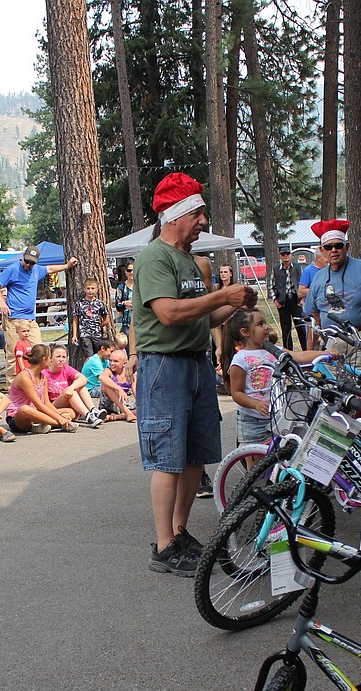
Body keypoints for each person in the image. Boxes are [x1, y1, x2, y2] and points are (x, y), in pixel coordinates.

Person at [133, 172, 256, 576]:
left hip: (195, 362)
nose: (204, 221)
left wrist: (236, 304)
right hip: (164, 365)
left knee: (193, 458)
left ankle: (180, 532)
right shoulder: (154, 256)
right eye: (199, 213)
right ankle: (164, 544)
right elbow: (168, 314)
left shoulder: (189, 260)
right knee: (168, 458)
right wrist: (221, 295)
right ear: (178, 215)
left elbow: (205, 317)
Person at [225, 308, 333, 448]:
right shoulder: (240, 359)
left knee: (277, 458)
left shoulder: (274, 351)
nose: (266, 327)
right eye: (260, 324)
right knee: (256, 463)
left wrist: (326, 354)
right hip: (252, 420)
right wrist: (255, 404)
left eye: (265, 323)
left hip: (277, 416)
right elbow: (237, 393)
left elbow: (300, 356)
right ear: (245, 332)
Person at [304, 220, 361, 370]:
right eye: (328, 247)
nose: (333, 250)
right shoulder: (318, 278)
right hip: (333, 344)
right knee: (335, 389)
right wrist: (310, 352)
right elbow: (314, 317)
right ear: (322, 250)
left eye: (338, 245)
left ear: (346, 247)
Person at [0, 246, 80, 380]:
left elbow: (49, 269)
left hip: (30, 320)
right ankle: (13, 387)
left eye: (32, 262)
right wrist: (1, 302)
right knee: (14, 355)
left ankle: (37, 381)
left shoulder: (36, 270)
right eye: (27, 261)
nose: (28, 265)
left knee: (39, 351)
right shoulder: (13, 269)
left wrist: (67, 266)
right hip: (14, 319)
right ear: (23, 257)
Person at [5, 344, 76, 435]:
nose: (51, 360)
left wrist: (58, 413)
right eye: (50, 357)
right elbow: (38, 404)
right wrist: (59, 418)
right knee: (25, 409)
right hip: (18, 418)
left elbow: (46, 403)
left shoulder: (43, 376)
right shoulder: (25, 377)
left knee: (71, 412)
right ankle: (58, 424)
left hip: (37, 412)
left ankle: (44, 424)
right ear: (44, 360)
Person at [44, 344, 104, 427]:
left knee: (79, 387)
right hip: (53, 405)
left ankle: (93, 410)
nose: (61, 360)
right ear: (50, 358)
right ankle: (88, 416)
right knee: (72, 393)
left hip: (68, 405)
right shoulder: (44, 373)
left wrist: (71, 387)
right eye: (58, 356)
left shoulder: (66, 368)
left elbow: (83, 379)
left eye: (64, 357)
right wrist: (70, 389)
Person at [270, 249, 307, 350]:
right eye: (283, 254)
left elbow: (305, 284)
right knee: (286, 330)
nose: (285, 256)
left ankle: (306, 350)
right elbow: (271, 287)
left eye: (287, 254)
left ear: (291, 255)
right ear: (280, 256)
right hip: (283, 302)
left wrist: (303, 299)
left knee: (301, 327)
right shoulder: (276, 270)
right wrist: (275, 300)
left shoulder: (298, 268)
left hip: (296, 301)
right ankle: (288, 353)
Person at [71, 278, 111, 358]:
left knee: (98, 356)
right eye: (88, 288)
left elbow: (107, 319)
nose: (90, 291)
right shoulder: (79, 304)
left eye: (92, 288)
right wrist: (74, 335)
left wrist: (98, 326)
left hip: (97, 334)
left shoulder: (99, 304)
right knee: (89, 356)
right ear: (84, 289)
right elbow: (75, 320)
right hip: (85, 334)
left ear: (97, 290)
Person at [97, 348, 136, 423]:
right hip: (109, 405)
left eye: (115, 361)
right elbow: (101, 377)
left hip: (124, 404)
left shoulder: (129, 375)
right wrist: (119, 389)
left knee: (142, 410)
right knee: (107, 385)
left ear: (125, 363)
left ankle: (118, 417)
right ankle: (127, 413)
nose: (112, 363)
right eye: (110, 360)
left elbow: (136, 392)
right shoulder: (109, 371)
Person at [114, 261, 134, 336]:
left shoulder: (141, 287)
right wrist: (124, 303)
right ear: (125, 272)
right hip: (127, 324)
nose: (131, 272)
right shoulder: (121, 287)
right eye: (129, 270)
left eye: (133, 270)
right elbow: (118, 306)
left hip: (141, 324)